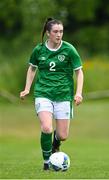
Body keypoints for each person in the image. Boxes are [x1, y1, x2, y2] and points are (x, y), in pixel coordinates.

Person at [20, 17, 84, 171]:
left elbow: (79, 72)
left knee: (62, 135)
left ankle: (56, 144)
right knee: (47, 128)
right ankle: (47, 161)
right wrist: (27, 88)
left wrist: (78, 93)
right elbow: (32, 68)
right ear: (48, 33)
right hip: (43, 93)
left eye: (61, 31)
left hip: (63, 95)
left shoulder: (69, 49)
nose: (59, 34)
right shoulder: (39, 50)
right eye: (55, 31)